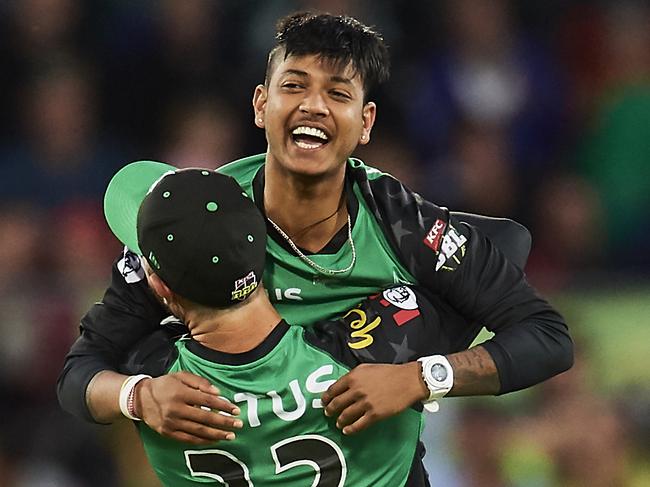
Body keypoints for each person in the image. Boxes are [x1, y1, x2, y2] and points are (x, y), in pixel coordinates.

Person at [57, 11, 573, 479]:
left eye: (338, 93)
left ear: (365, 122)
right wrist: (139, 396)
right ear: (261, 105)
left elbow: (546, 334)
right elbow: (80, 371)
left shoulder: (396, 221)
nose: (314, 105)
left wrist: (421, 377)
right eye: (294, 85)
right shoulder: (199, 224)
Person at [103, 162, 481, 485]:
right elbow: (506, 249)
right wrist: (424, 375)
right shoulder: (373, 351)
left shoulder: (149, 372)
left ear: (159, 287)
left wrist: (134, 397)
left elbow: (83, 367)